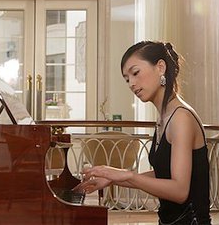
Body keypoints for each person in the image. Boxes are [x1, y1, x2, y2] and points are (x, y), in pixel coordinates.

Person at [74, 41, 211, 224]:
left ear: (160, 67)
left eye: (135, 73)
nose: (131, 83)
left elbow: (179, 191)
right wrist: (112, 178)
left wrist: (127, 175)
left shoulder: (181, 118)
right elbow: (164, 175)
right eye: (126, 79)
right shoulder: (165, 115)